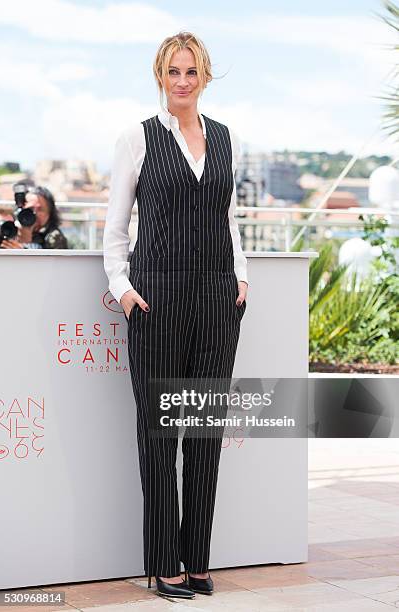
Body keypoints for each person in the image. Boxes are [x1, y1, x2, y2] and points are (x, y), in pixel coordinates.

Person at [103, 31, 248, 600]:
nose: (182, 82)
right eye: (173, 73)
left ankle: (198, 558)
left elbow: (227, 217)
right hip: (156, 297)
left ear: (204, 76)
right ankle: (163, 562)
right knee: (161, 434)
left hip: (218, 298)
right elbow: (115, 227)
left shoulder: (225, 139)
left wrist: (241, 277)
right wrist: (121, 287)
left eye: (191, 72)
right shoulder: (136, 139)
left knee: (206, 434)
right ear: (160, 78)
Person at [0, 185, 68, 249]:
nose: (34, 213)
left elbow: (55, 261)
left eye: (40, 209)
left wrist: (24, 250)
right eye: (30, 208)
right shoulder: (9, 228)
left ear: (49, 213)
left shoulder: (54, 236)